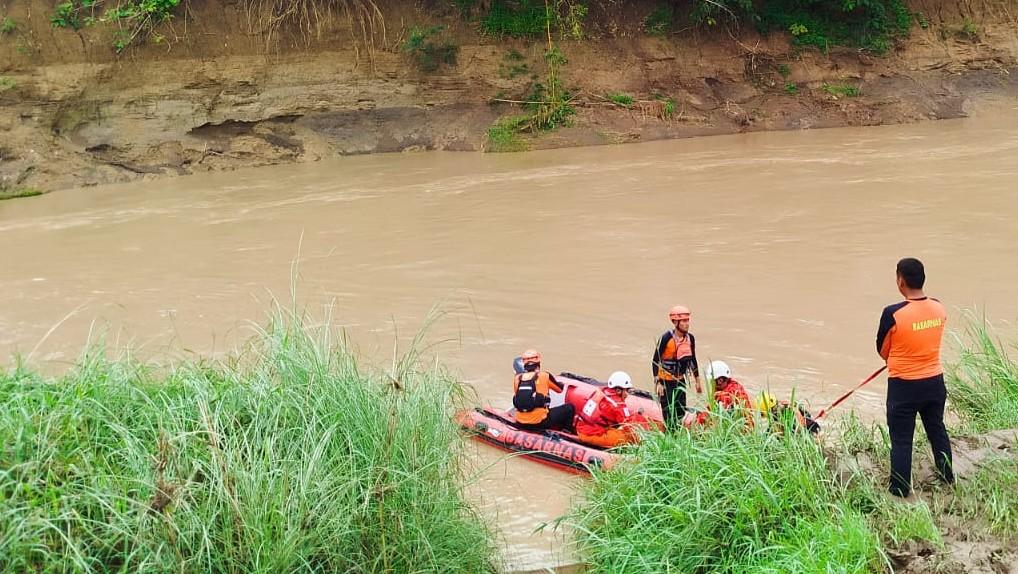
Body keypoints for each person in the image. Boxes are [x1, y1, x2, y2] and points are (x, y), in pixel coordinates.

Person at [876, 257, 954, 498]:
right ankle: (947, 476)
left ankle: (900, 489)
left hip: (903, 387)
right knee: (937, 429)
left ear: (901, 281)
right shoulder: (939, 307)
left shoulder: (893, 313)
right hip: (934, 382)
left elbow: (882, 349)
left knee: (901, 439)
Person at [653, 305, 703, 430]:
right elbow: (655, 361)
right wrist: (658, 382)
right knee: (668, 413)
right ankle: (669, 434)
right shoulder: (666, 338)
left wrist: (697, 381)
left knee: (680, 411)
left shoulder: (690, 338)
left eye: (688, 320)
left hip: (680, 381)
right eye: (684, 321)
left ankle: (678, 432)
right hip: (666, 382)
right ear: (675, 322)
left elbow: (692, 360)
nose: (687, 324)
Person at [575, 371, 650, 448]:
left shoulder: (601, 391)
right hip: (591, 434)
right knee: (626, 437)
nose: (627, 394)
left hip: (582, 428)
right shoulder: (618, 405)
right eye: (627, 390)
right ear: (618, 390)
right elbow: (629, 427)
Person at [512, 349, 575, 431]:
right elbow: (559, 390)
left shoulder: (517, 378)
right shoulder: (544, 376)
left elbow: (519, 397)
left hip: (520, 421)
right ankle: (566, 433)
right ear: (538, 363)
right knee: (569, 408)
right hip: (540, 422)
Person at [682, 360, 753, 429]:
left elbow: (712, 416)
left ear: (720, 381)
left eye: (712, 381)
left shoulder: (724, 396)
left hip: (739, 430)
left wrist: (694, 421)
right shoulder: (734, 386)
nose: (711, 384)